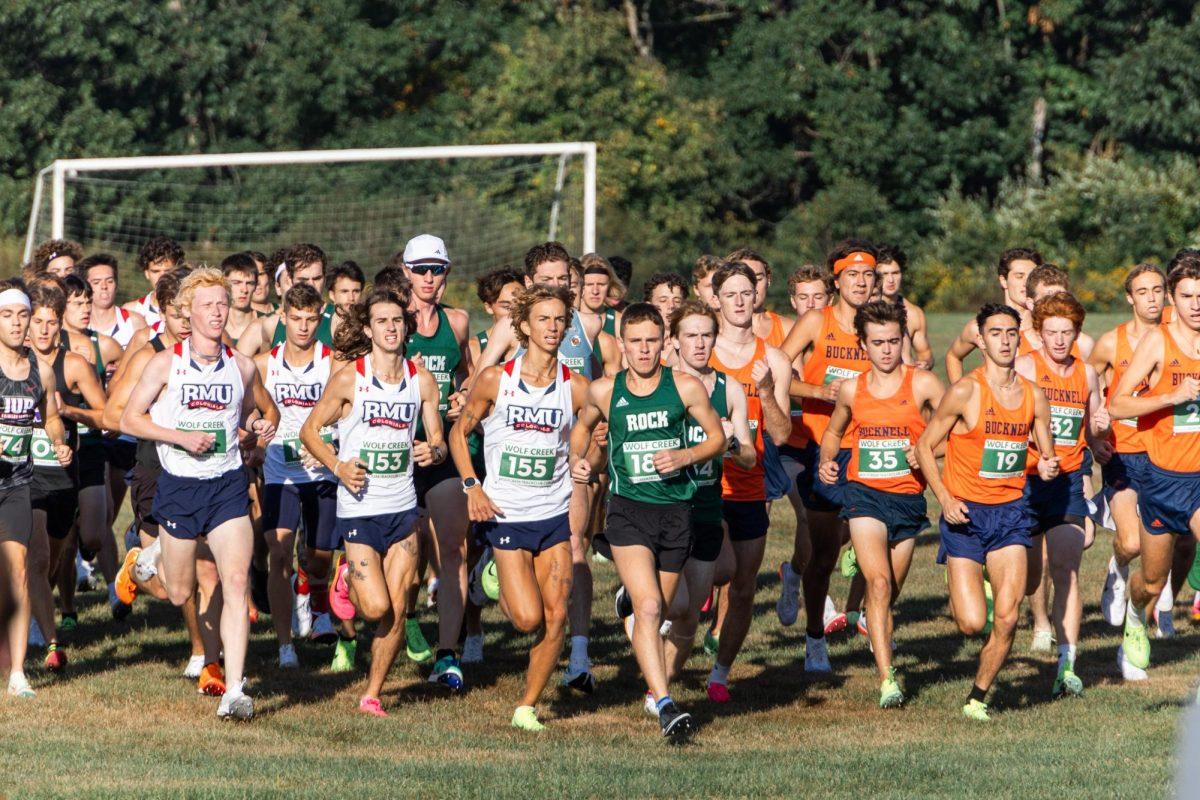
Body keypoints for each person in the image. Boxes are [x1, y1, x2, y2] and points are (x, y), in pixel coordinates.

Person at [120, 267, 278, 720]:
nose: (217, 312)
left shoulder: (242, 366)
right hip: (179, 486)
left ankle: (234, 690)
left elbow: (253, 414)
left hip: (227, 486)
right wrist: (178, 436)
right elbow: (131, 420)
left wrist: (257, 428)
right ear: (187, 312)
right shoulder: (165, 363)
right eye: (207, 305)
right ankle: (142, 560)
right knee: (179, 591)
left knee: (235, 581)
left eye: (222, 304)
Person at [569, 302, 726, 742]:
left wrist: (685, 456)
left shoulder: (685, 386)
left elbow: (716, 438)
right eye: (635, 342)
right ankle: (665, 703)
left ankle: (633, 605)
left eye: (651, 341)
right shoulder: (605, 391)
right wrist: (579, 464)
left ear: (665, 343)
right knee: (651, 608)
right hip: (627, 512)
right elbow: (581, 431)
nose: (643, 350)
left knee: (669, 612)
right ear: (622, 344)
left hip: (677, 513)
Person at [450, 284, 590, 731]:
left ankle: (526, 705)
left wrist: (590, 457)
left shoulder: (576, 388)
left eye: (559, 320)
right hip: (506, 514)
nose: (552, 328)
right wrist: (472, 486)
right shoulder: (496, 380)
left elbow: (591, 439)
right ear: (524, 327)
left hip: (553, 511)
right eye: (543, 320)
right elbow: (458, 434)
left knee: (557, 615)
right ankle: (484, 573)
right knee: (527, 618)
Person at [301, 288, 446, 716]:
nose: (391, 328)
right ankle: (343, 580)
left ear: (407, 327)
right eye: (382, 321)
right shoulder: (351, 378)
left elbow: (437, 440)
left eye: (397, 321)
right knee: (376, 607)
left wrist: (432, 452)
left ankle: (372, 694)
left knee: (398, 610)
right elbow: (310, 430)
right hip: (359, 507)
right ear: (368, 328)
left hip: (402, 507)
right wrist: (338, 466)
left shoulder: (421, 380)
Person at [915, 303, 1058, 721]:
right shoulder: (966, 391)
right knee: (971, 624)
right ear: (979, 339)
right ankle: (973, 579)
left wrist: (1048, 465)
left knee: (1009, 618)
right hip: (965, 515)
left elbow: (1047, 455)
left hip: (1012, 512)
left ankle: (977, 696)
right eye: (995, 333)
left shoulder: (1034, 395)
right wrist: (943, 498)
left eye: (1011, 332)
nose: (1005, 340)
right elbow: (925, 447)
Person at [819, 300, 943, 708]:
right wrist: (825, 462)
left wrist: (927, 453)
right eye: (877, 343)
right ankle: (888, 678)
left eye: (893, 341)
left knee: (890, 596)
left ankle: (876, 622)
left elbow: (958, 430)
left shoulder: (923, 385)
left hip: (907, 498)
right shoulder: (853, 389)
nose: (887, 350)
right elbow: (834, 432)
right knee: (879, 583)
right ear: (863, 344)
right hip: (864, 496)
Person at [107, 267, 219, 686]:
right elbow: (112, 414)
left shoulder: (217, 352)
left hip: (209, 469)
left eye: (193, 312)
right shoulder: (149, 355)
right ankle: (137, 564)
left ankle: (204, 654)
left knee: (210, 568)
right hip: (156, 468)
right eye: (178, 314)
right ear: (164, 312)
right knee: (173, 582)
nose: (187, 323)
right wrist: (167, 425)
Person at [778, 240, 878, 672]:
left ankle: (879, 631)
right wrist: (820, 391)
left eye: (868, 275)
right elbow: (776, 372)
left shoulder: (882, 323)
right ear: (836, 280)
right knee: (823, 554)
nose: (860, 282)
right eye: (852, 275)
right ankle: (815, 636)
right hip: (824, 447)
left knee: (880, 541)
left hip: (871, 446)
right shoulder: (816, 322)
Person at [657, 301, 755, 705]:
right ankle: (658, 686)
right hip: (661, 507)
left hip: (706, 507)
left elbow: (749, 456)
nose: (699, 343)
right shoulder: (658, 383)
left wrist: (731, 442)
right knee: (668, 605)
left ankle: (654, 688)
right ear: (674, 341)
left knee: (690, 614)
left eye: (706, 335)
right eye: (691, 335)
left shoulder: (728, 388)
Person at [703, 263, 791, 701]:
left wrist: (769, 391)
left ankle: (719, 673)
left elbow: (781, 434)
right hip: (702, 486)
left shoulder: (773, 359)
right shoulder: (698, 351)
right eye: (730, 293)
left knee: (742, 588)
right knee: (719, 571)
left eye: (746, 292)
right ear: (715, 299)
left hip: (750, 486)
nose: (739, 301)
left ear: (757, 297)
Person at [1109, 255, 1200, 677]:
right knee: (1150, 581)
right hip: (1163, 479)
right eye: (1187, 296)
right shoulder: (1159, 342)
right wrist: (1172, 397)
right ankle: (1134, 616)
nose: (1196, 304)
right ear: (1173, 299)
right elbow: (1118, 404)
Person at [1013, 292, 1107, 697]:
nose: (1058, 341)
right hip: (1026, 481)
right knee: (1030, 575)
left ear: (1076, 334)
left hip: (1068, 479)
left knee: (1066, 567)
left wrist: (1100, 428)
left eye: (1066, 333)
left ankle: (1067, 664)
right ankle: (1035, 620)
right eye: (1051, 332)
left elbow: (1092, 428)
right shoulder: (1024, 367)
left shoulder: (1085, 374)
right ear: (1039, 333)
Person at [394, 234, 473, 686]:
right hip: (396, 457)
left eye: (436, 269)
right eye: (420, 269)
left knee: (453, 552)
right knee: (404, 562)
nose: (428, 277)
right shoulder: (388, 322)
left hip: (442, 454)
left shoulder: (457, 322)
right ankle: (403, 619)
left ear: (446, 272)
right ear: (405, 271)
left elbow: (466, 371)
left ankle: (448, 654)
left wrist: (462, 393)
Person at [255, 283, 341, 669]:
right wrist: (254, 428)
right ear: (284, 318)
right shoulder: (262, 364)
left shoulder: (334, 362)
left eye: (311, 319)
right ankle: (284, 644)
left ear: (319, 317)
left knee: (320, 558)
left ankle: (310, 593)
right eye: (296, 319)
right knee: (279, 555)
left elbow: (348, 407)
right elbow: (245, 409)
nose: (304, 327)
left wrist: (324, 436)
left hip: (321, 469)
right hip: (279, 471)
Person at [1089, 264, 1165, 675]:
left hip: (1166, 457)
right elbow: (1083, 389)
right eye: (1143, 291)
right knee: (1132, 543)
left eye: (1158, 289)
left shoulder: (1180, 342)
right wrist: (1092, 437)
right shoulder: (1109, 343)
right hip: (1122, 454)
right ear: (1130, 298)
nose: (1152, 297)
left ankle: (1140, 623)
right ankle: (1117, 567)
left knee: (1164, 554)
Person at [25, 281, 104, 673]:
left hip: (61, 474)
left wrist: (69, 413)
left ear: (61, 326)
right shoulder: (13, 364)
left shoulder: (73, 365)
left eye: (51, 322)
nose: (42, 330)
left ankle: (39, 610)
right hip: (24, 476)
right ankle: (46, 636)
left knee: (52, 561)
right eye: (36, 321)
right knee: (35, 558)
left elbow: (106, 416)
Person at [0, 284, 71, 698]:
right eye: (7, 315)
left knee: (20, 570)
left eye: (21, 316)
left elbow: (51, 417)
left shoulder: (38, 372)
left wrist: (59, 441)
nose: (15, 323)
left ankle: (18, 674)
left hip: (17, 485)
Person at [775, 266, 835, 629]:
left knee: (836, 529)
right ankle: (822, 602)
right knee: (806, 517)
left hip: (833, 444)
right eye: (803, 298)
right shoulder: (787, 339)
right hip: (792, 444)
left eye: (818, 297)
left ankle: (794, 572)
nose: (811, 304)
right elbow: (779, 375)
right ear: (793, 301)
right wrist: (817, 391)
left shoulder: (840, 336)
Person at [945, 248, 1043, 382]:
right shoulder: (980, 326)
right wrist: (958, 396)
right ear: (1003, 281)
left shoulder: (1048, 329)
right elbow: (953, 356)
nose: (1026, 283)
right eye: (1019, 276)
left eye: (1032, 277)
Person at [236, 244, 330, 355]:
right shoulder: (266, 324)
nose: (311, 284)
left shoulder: (337, 318)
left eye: (317, 278)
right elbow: (237, 367)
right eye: (303, 279)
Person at [873, 244, 933, 368]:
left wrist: (926, 364)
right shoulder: (863, 311)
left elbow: (925, 354)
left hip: (906, 382)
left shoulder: (914, 313)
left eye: (895, 273)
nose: (891, 280)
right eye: (884, 274)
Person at [725, 248, 792, 346]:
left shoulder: (788, 329)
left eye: (758, 279)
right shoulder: (712, 330)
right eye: (745, 278)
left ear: (768, 280)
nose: (752, 286)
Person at [78, 253, 145, 347]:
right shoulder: (77, 324)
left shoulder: (134, 322)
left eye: (109, 281)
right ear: (85, 287)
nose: (104, 286)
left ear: (116, 284)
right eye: (96, 282)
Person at [122, 236, 185, 327]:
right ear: (146, 273)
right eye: (156, 271)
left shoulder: (191, 308)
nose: (162, 277)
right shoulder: (131, 311)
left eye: (168, 271)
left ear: (178, 270)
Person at [577, 253, 623, 338]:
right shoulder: (568, 320)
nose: (595, 291)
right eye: (589, 284)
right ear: (579, 285)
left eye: (601, 284)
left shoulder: (618, 322)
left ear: (610, 285)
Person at [221, 253, 261, 345]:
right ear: (223, 283)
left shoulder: (267, 325)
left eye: (250, 283)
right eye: (237, 283)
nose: (244, 289)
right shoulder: (212, 324)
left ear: (255, 286)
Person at [249, 251, 277, 315]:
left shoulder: (286, 312)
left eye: (260, 274)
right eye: (250, 276)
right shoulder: (234, 318)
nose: (257, 281)